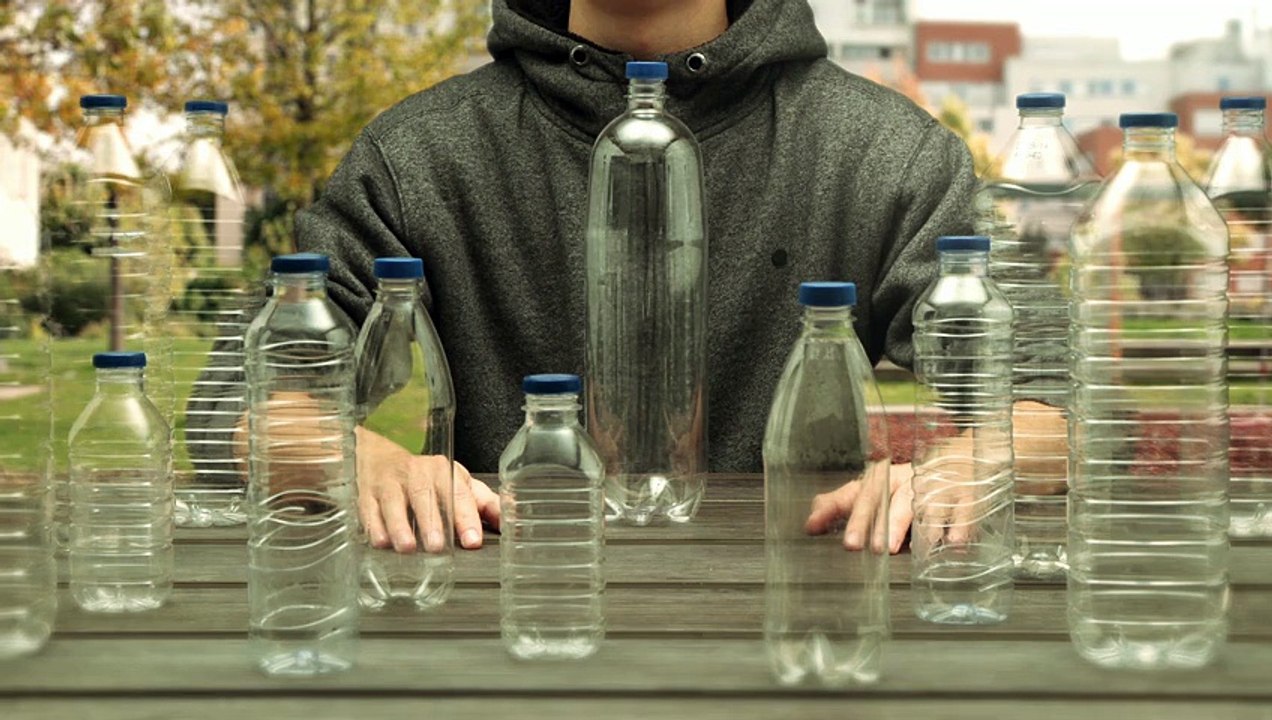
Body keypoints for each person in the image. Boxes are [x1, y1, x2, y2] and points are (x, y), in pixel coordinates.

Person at [246, 0, 980, 554]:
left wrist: (970, 465)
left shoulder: (889, 157)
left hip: (803, 617)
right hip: (516, 619)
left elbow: (1061, 403)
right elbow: (238, 409)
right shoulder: (417, 160)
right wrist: (359, 458)